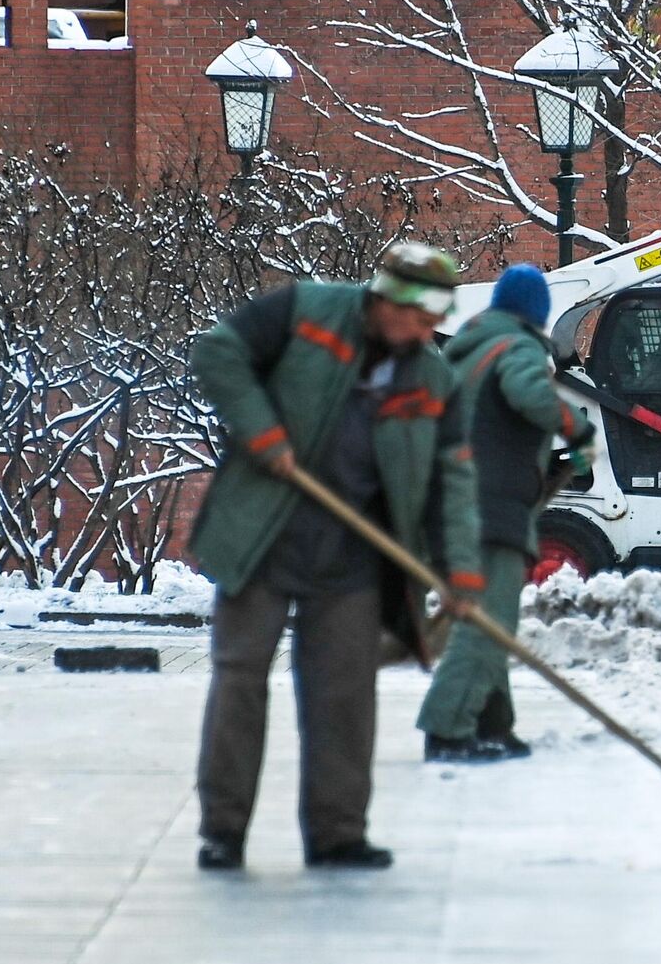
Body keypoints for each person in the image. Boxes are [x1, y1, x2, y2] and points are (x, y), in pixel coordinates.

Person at [188, 241, 484, 872]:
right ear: (382, 299)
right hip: (264, 535)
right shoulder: (307, 312)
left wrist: (460, 572)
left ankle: (338, 833)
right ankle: (223, 831)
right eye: (413, 317)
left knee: (344, 695)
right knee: (240, 678)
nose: (421, 332)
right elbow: (219, 351)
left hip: (354, 556)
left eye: (432, 322)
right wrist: (262, 431)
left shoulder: (434, 380)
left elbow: (452, 479)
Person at [419, 264, 596, 763]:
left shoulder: (469, 350)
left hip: (456, 504)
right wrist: (576, 430)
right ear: (535, 313)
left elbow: (487, 424)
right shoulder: (518, 348)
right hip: (488, 507)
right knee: (487, 622)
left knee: (489, 616)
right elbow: (529, 395)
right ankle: (447, 729)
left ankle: (494, 725)